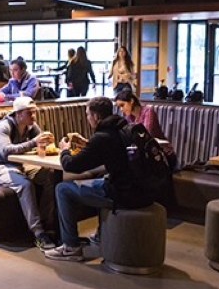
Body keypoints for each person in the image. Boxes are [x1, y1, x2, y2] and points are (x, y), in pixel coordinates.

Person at [44, 97, 149, 262]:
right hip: (141, 190)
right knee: (100, 179)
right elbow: (109, 155)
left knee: (62, 189)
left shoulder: (102, 136)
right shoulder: (124, 128)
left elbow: (71, 165)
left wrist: (64, 150)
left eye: (87, 115)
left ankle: (70, 247)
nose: (87, 118)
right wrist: (87, 144)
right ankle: (101, 235)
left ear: (95, 116)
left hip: (123, 194)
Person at [0, 96, 57, 251]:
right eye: (29, 113)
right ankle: (38, 233)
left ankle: (48, 222)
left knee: (50, 176)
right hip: (1, 167)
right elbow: (6, 151)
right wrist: (34, 142)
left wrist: (47, 142)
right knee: (25, 184)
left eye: (34, 112)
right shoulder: (4, 127)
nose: (33, 116)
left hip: (23, 165)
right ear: (18, 113)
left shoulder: (31, 126)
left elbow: (41, 146)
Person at [114, 89, 177, 170]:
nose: (121, 109)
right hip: (145, 154)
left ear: (131, 101)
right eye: (119, 107)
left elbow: (145, 136)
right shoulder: (129, 117)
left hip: (162, 154)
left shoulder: (148, 112)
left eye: (122, 105)